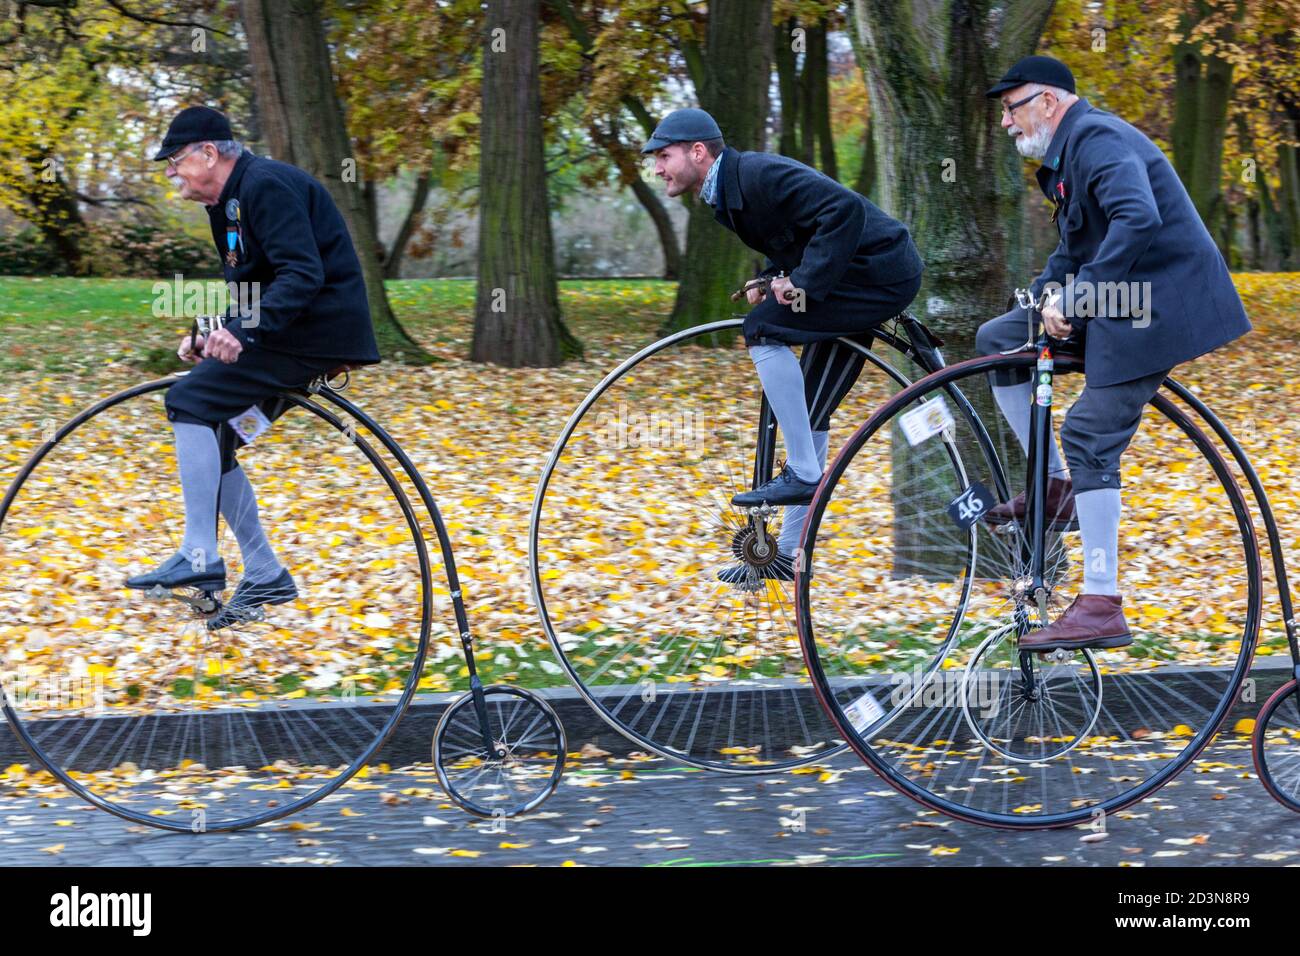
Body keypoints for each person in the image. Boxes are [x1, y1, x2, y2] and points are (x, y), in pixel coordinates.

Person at [975, 56, 1252, 650]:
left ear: (1048, 101)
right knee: (1000, 340)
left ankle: (1102, 600)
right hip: (1120, 300)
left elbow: (1137, 218)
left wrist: (1080, 297)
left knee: (1090, 432)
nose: (1005, 122)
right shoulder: (1064, 158)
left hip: (1157, 307)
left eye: (1011, 107)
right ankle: (1052, 487)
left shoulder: (1097, 138)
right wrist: (1053, 291)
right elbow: (1075, 248)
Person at [124, 106, 381, 629]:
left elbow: (302, 274)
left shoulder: (264, 185)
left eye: (174, 162)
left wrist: (241, 333)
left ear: (209, 153)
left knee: (188, 403)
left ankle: (199, 556)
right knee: (215, 434)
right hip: (291, 334)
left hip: (313, 333)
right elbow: (251, 286)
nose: (172, 175)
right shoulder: (228, 204)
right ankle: (264, 571)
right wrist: (211, 332)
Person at [642, 108, 924, 583]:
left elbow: (844, 211)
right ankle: (786, 556)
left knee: (762, 329)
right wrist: (772, 275)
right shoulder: (724, 194)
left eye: (663, 156)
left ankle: (802, 470)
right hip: (850, 279)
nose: (657, 169)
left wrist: (804, 283)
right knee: (811, 408)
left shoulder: (756, 174)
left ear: (697, 151)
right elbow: (797, 231)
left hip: (877, 274)